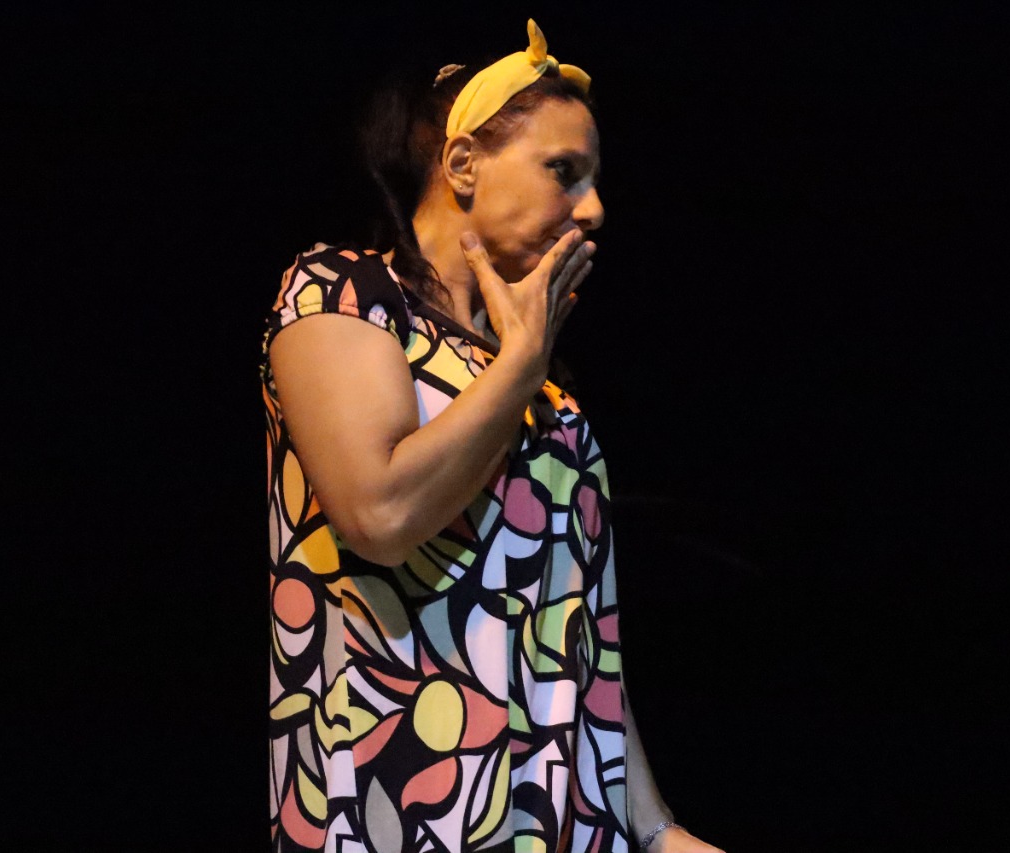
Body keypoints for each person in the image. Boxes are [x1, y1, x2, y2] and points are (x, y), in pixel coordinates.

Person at [262, 20, 725, 853]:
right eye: (564, 171)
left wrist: (658, 829)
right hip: (403, 805)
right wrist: (518, 366)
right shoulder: (342, 291)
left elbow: (577, 639)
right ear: (464, 163)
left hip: (562, 823)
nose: (593, 208)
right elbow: (380, 513)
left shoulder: (544, 391)